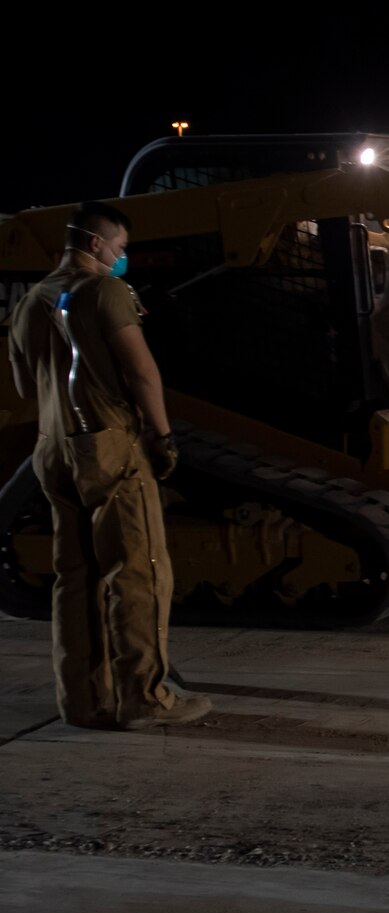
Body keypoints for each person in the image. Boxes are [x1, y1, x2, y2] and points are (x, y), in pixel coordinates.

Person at [6, 201, 209, 729]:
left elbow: (26, 387)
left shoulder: (31, 301)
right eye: (119, 248)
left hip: (53, 449)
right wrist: (164, 436)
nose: (122, 258)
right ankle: (143, 697)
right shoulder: (105, 291)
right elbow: (142, 371)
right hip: (108, 447)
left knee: (75, 578)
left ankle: (81, 700)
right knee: (137, 573)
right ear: (95, 244)